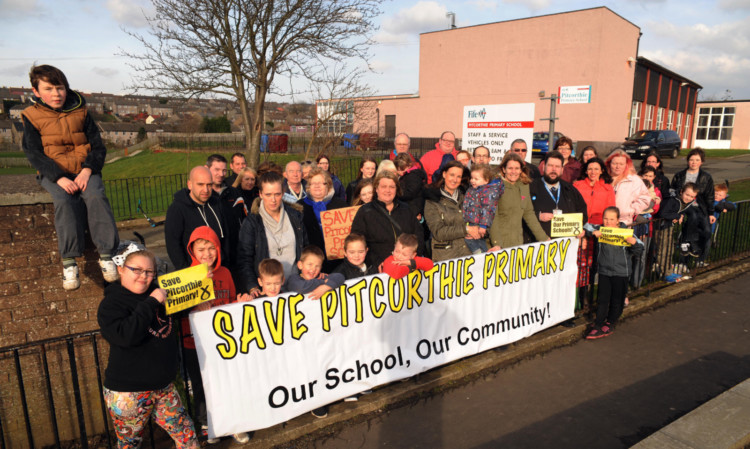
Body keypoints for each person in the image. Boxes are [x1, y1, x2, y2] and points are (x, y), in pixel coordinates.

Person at [21, 64, 120, 290]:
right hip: (54, 172)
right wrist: (59, 178)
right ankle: (69, 261)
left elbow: (98, 147)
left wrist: (87, 170)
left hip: (84, 168)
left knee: (95, 195)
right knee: (65, 201)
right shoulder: (31, 116)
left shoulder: (82, 111)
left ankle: (106, 255)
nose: (56, 94)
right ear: (36, 92)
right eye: (48, 89)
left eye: (60, 88)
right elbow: (34, 153)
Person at [97, 247, 199, 448]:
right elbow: (125, 336)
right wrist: (152, 302)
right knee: (129, 445)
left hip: (163, 388)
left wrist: (204, 279)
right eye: (136, 270)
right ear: (121, 269)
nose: (143, 276)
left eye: (149, 272)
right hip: (129, 393)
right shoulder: (111, 304)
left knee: (188, 439)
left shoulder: (158, 294)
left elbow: (182, 306)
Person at [180, 226, 250, 444]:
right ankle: (207, 424)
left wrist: (239, 304)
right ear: (192, 250)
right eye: (201, 249)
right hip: (194, 342)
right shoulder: (185, 276)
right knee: (201, 386)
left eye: (211, 248)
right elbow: (176, 312)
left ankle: (233, 424)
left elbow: (229, 302)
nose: (207, 254)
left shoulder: (226, 273)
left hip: (222, 342)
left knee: (226, 382)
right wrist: (193, 304)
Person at [237, 171, 307, 296]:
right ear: (260, 194)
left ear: (283, 193)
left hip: (296, 287)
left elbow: (305, 248)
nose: (273, 199)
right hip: (268, 292)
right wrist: (252, 287)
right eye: (268, 194)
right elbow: (244, 259)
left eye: (277, 194)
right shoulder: (252, 222)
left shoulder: (295, 216)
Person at [583, 207, 644, 339]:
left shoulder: (626, 232)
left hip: (621, 272)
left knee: (617, 299)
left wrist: (633, 243)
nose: (608, 222)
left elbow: (640, 247)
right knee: (602, 299)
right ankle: (598, 324)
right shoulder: (600, 229)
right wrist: (594, 232)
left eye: (611, 219)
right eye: (605, 218)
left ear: (617, 220)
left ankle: (611, 322)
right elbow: (585, 225)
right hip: (604, 271)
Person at [351, 171, 425, 268]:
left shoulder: (406, 209)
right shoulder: (365, 212)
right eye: (383, 187)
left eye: (392, 187)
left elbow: (419, 236)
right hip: (380, 270)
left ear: (397, 189)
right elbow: (357, 242)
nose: (388, 190)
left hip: (407, 268)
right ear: (376, 189)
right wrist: (375, 263)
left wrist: (413, 259)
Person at [165, 166, 230, 271]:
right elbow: (173, 245)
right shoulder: (177, 208)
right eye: (200, 184)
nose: (206, 190)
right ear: (190, 184)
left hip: (219, 269)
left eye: (209, 185)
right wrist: (187, 271)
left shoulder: (217, 203)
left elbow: (226, 235)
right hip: (194, 274)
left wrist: (225, 264)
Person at [488, 152, 548, 250]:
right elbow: (493, 217)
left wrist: (544, 238)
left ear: (521, 170)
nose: (513, 172)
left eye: (517, 168)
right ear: (504, 169)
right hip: (498, 244)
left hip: (517, 243)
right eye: (510, 168)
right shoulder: (495, 186)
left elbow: (529, 214)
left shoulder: (524, 186)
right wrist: (496, 243)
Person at [670, 148, 715, 263]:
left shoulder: (706, 177)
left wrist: (710, 212)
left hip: (699, 207)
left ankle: (698, 254)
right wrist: (677, 212)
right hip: (683, 205)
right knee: (691, 220)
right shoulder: (680, 175)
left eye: (697, 160)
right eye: (691, 160)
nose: (694, 162)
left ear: (701, 162)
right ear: (687, 161)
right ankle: (686, 248)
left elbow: (709, 195)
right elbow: (673, 191)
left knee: (706, 231)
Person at [529, 151, 588, 238]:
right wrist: (539, 216)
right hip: (539, 244)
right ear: (544, 167)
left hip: (564, 245)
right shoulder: (531, 188)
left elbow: (582, 213)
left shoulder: (570, 190)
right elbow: (521, 213)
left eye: (557, 166)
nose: (553, 169)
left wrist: (581, 229)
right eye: (550, 166)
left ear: (562, 169)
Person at [299, 167, 348, 272]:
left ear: (328, 185)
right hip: (312, 263)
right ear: (308, 186)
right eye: (313, 183)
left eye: (321, 183)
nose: (317, 186)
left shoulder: (340, 205)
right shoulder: (299, 207)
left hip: (339, 261)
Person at [423, 161, 473, 262]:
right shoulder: (432, 201)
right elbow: (439, 232)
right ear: (444, 174)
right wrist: (466, 230)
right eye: (452, 175)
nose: (455, 179)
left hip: (469, 255)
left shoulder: (467, 197)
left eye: (458, 176)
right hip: (446, 258)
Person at [659, 183, 709, 271]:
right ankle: (664, 272)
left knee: (670, 250)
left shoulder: (686, 201)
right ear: (681, 192)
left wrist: (679, 215)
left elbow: (680, 209)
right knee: (664, 250)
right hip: (661, 226)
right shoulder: (672, 200)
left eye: (692, 196)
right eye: (687, 195)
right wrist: (677, 216)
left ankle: (667, 271)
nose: (688, 198)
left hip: (669, 226)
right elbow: (663, 213)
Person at [463, 164, 504, 254]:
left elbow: (488, 210)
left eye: (476, 179)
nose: (472, 181)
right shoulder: (473, 189)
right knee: (474, 241)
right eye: (472, 178)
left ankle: (480, 255)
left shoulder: (488, 193)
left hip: (478, 224)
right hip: (470, 221)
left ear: (486, 180)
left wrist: (483, 225)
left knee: (473, 242)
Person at [605, 149, 651, 226]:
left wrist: (631, 209)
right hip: (603, 220)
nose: (617, 167)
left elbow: (645, 198)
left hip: (624, 221)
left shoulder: (634, 180)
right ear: (609, 163)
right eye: (615, 163)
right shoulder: (603, 178)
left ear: (626, 165)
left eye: (621, 164)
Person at [394, 152, 427, 219]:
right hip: (410, 206)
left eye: (402, 169)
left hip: (413, 207)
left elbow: (411, 192)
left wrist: (397, 194)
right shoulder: (407, 175)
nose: (399, 172)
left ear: (409, 166)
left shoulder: (413, 176)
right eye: (397, 170)